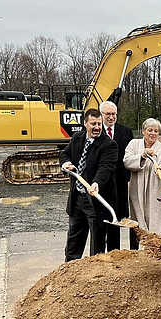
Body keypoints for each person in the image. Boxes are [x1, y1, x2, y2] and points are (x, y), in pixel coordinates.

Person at [59, 108, 117, 261]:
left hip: (96, 199)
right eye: (93, 124)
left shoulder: (109, 144)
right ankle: (69, 268)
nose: (97, 127)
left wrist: (97, 183)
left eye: (99, 123)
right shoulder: (77, 138)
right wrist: (66, 163)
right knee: (74, 237)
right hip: (77, 197)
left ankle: (95, 271)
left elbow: (106, 167)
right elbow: (65, 154)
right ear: (85, 123)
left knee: (97, 240)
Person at [124, 118, 161, 250]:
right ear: (143, 131)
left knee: (155, 217)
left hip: (155, 187)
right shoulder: (134, 144)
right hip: (137, 185)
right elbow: (127, 161)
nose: (153, 133)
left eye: (156, 131)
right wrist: (142, 156)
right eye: (150, 130)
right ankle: (136, 248)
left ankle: (156, 248)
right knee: (137, 217)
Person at [99, 101, 134, 251]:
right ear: (101, 115)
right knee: (101, 219)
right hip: (100, 182)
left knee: (116, 218)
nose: (111, 117)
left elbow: (130, 156)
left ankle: (114, 251)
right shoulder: (95, 131)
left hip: (119, 183)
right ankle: (99, 252)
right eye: (108, 114)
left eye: (114, 114)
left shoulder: (126, 132)